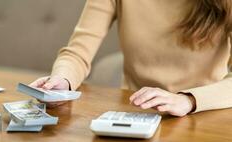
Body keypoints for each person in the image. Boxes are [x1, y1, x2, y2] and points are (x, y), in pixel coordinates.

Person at [30, 0, 232, 117]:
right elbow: (77, 52)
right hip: (137, 116)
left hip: (205, 115)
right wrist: (62, 81)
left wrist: (187, 100)